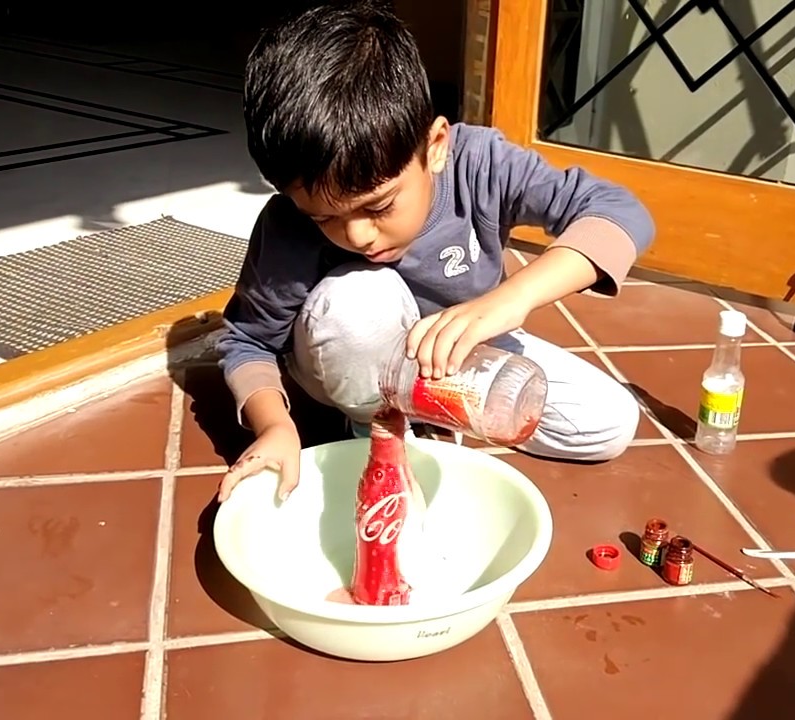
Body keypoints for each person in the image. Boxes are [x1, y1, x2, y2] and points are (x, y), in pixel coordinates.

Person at [216, 0, 655, 503]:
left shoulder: (481, 165)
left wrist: (510, 300)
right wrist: (274, 425)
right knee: (357, 301)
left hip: (459, 353)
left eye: (379, 206)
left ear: (436, 146)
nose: (357, 236)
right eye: (324, 217)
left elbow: (619, 212)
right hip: (350, 358)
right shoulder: (287, 227)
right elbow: (247, 343)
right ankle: (376, 431)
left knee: (608, 423)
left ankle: (433, 411)